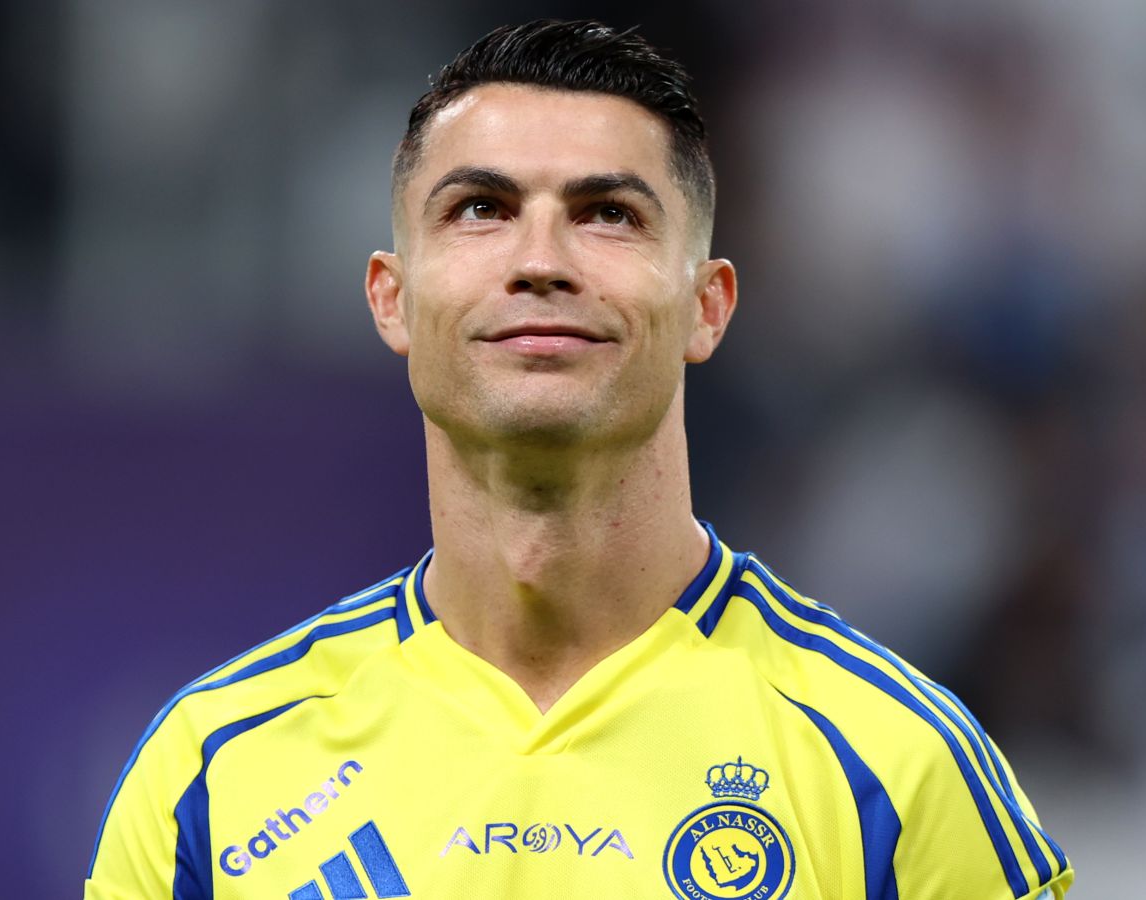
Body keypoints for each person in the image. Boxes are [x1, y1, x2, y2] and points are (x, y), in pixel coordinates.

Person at [85, 19, 1073, 900]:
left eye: (608, 213)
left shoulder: (896, 770)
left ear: (708, 306)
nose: (541, 261)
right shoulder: (208, 778)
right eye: (481, 209)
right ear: (392, 298)